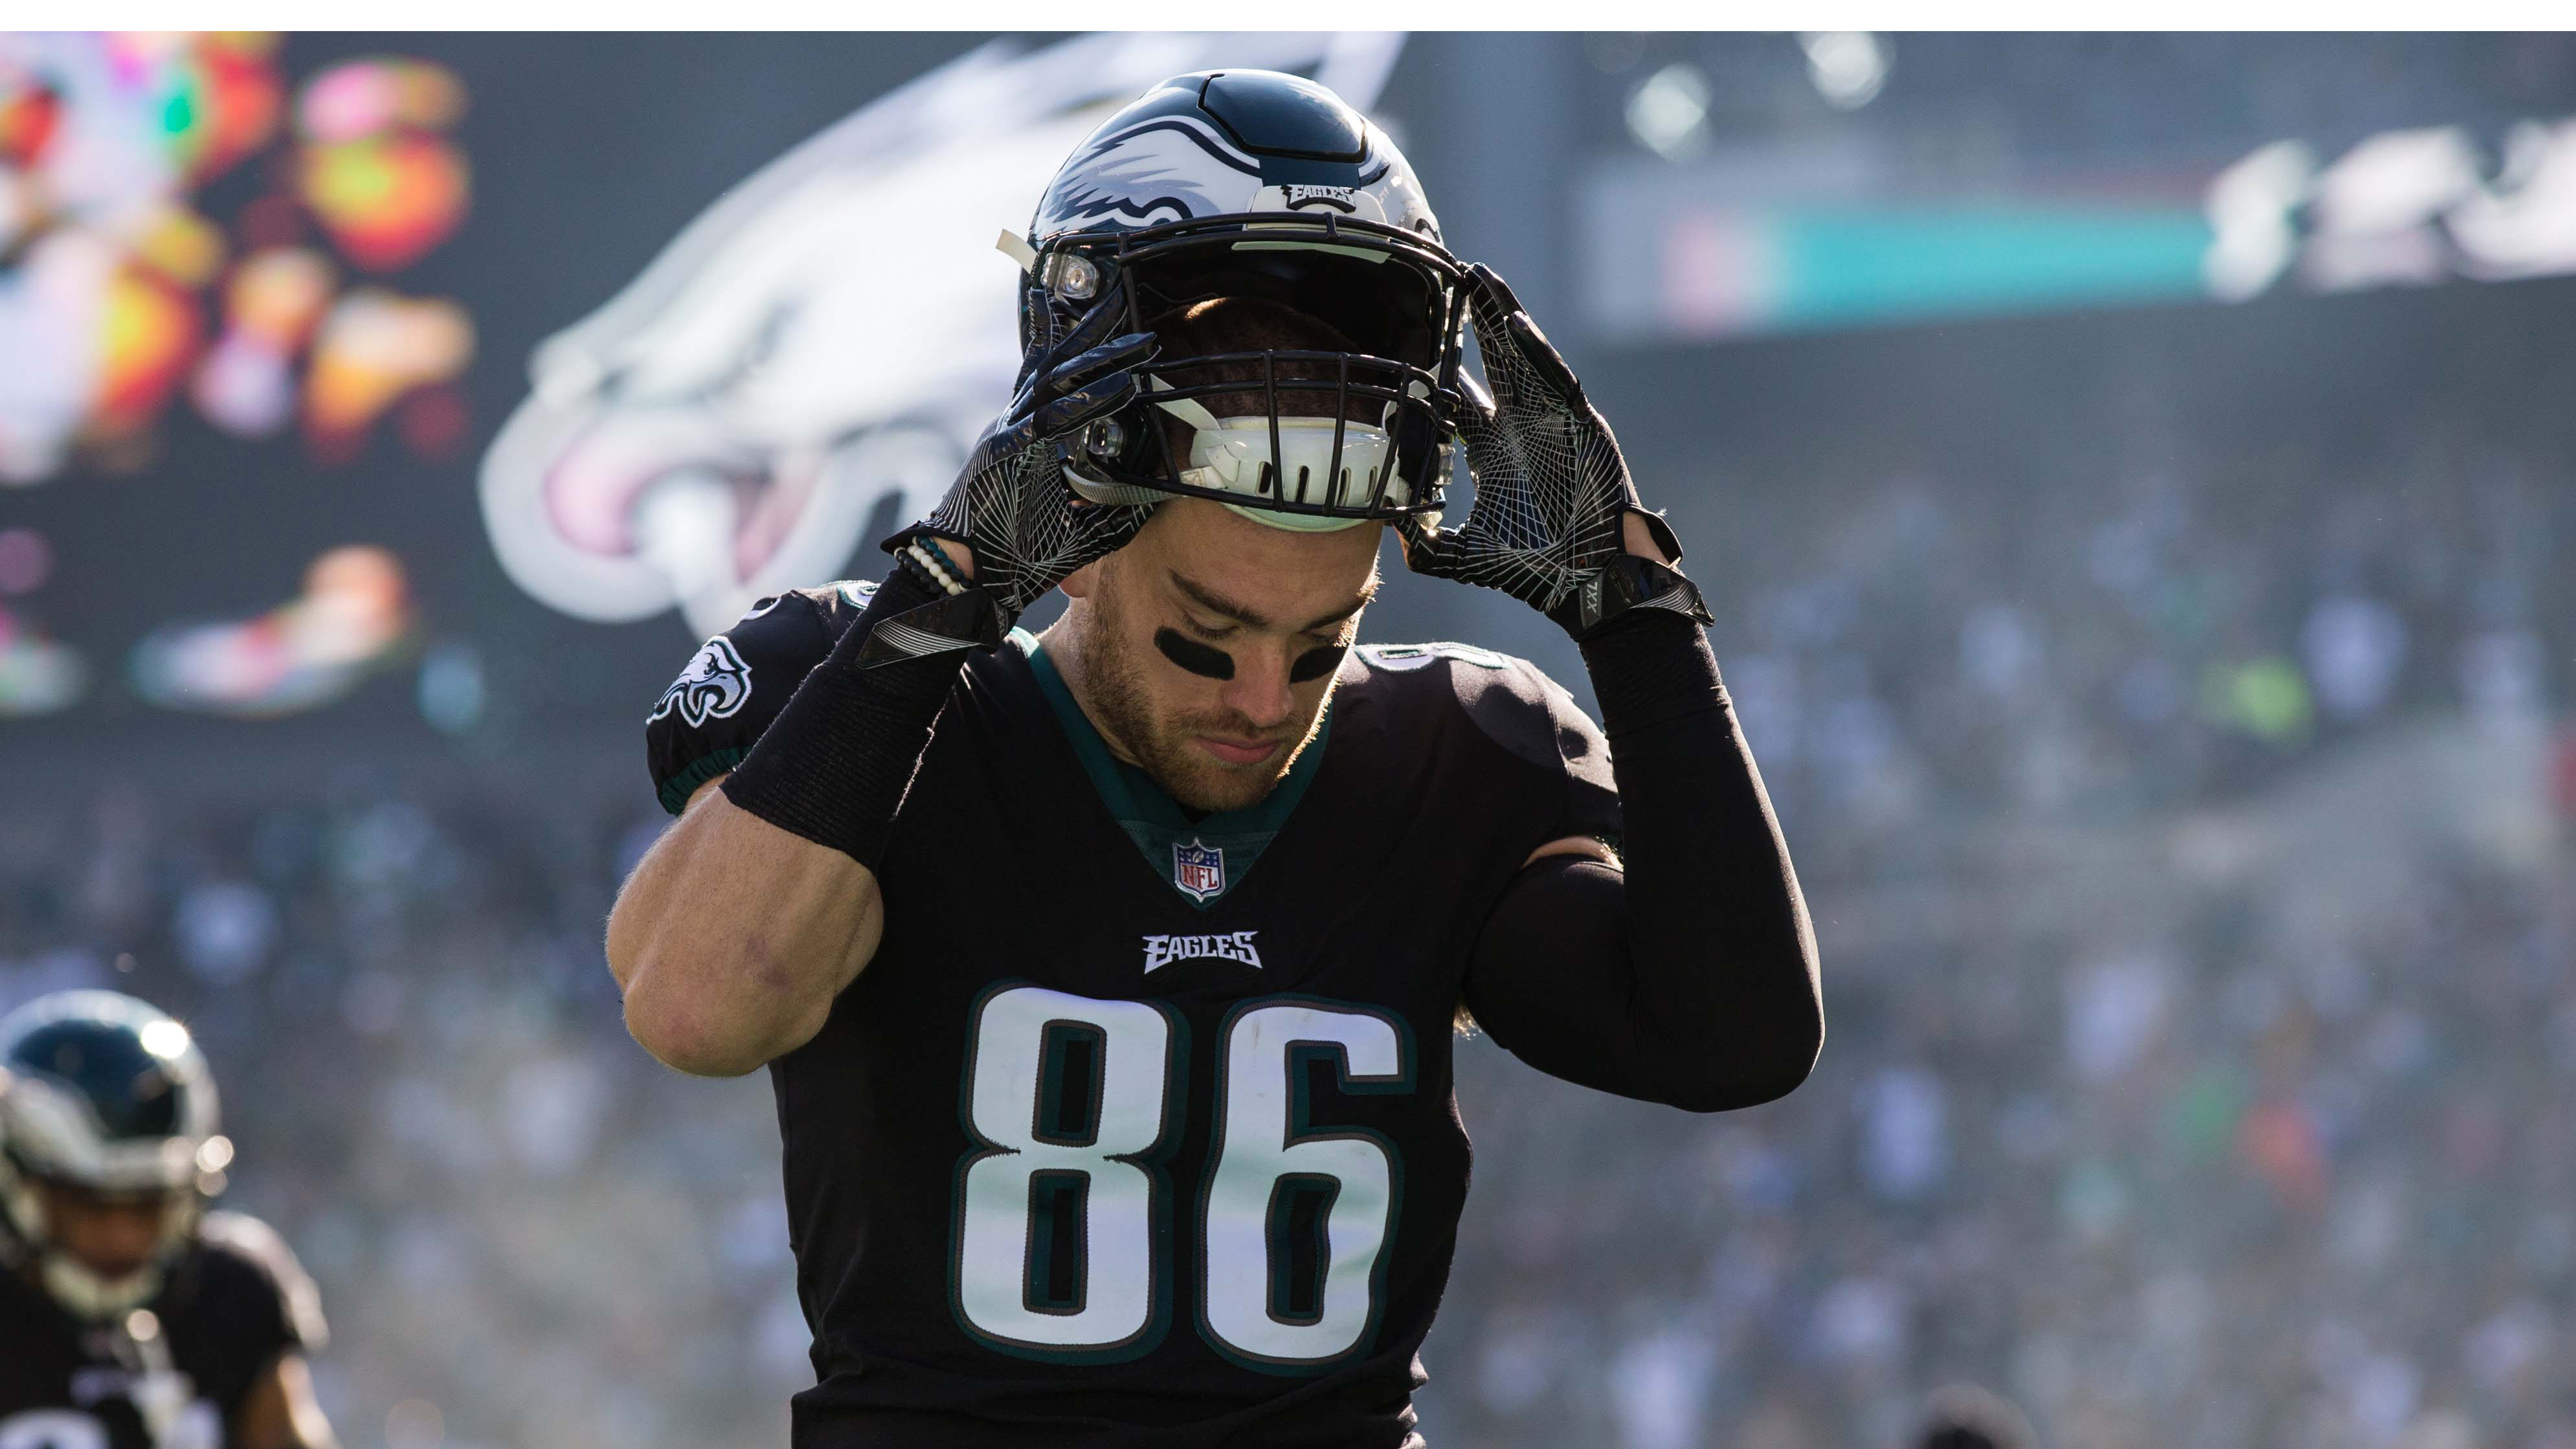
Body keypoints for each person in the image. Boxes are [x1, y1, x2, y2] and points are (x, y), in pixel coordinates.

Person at [609, 69, 1820, 1447]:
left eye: (1320, 645)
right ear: (1074, 546)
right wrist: (928, 614)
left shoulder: (1454, 752)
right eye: (1206, 638)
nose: (1260, 698)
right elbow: (693, 1010)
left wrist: (1640, 628)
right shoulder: (878, 692)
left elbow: (1734, 1041)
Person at [0, 991, 337, 1449]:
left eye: (147, 1203)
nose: (123, 1236)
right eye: (90, 1205)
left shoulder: (229, 1290)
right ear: (20, 1186)